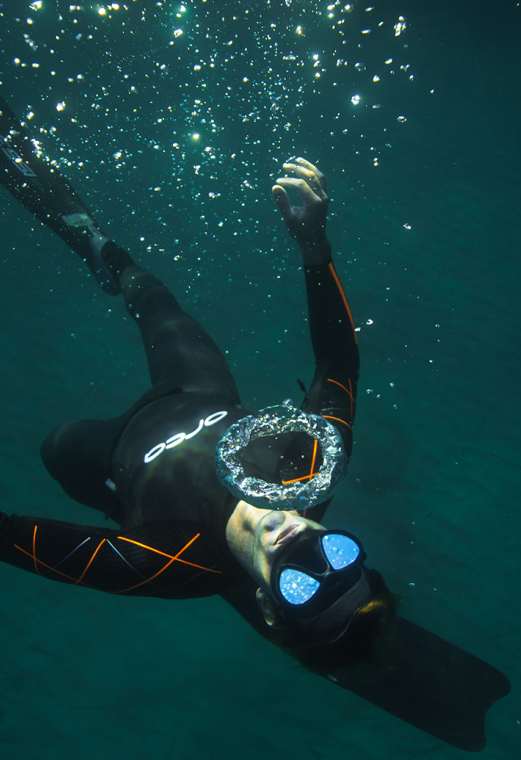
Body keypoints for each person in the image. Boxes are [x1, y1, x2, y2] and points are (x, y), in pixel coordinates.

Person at [0, 94, 401, 683]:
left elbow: (11, 538)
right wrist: (314, 244)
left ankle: (121, 503)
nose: (302, 544)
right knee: (152, 294)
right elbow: (339, 362)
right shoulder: (311, 464)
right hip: (197, 387)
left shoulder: (168, 563)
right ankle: (99, 251)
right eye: (335, 554)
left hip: (111, 457)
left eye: (295, 581)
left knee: (52, 448)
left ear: (266, 604)